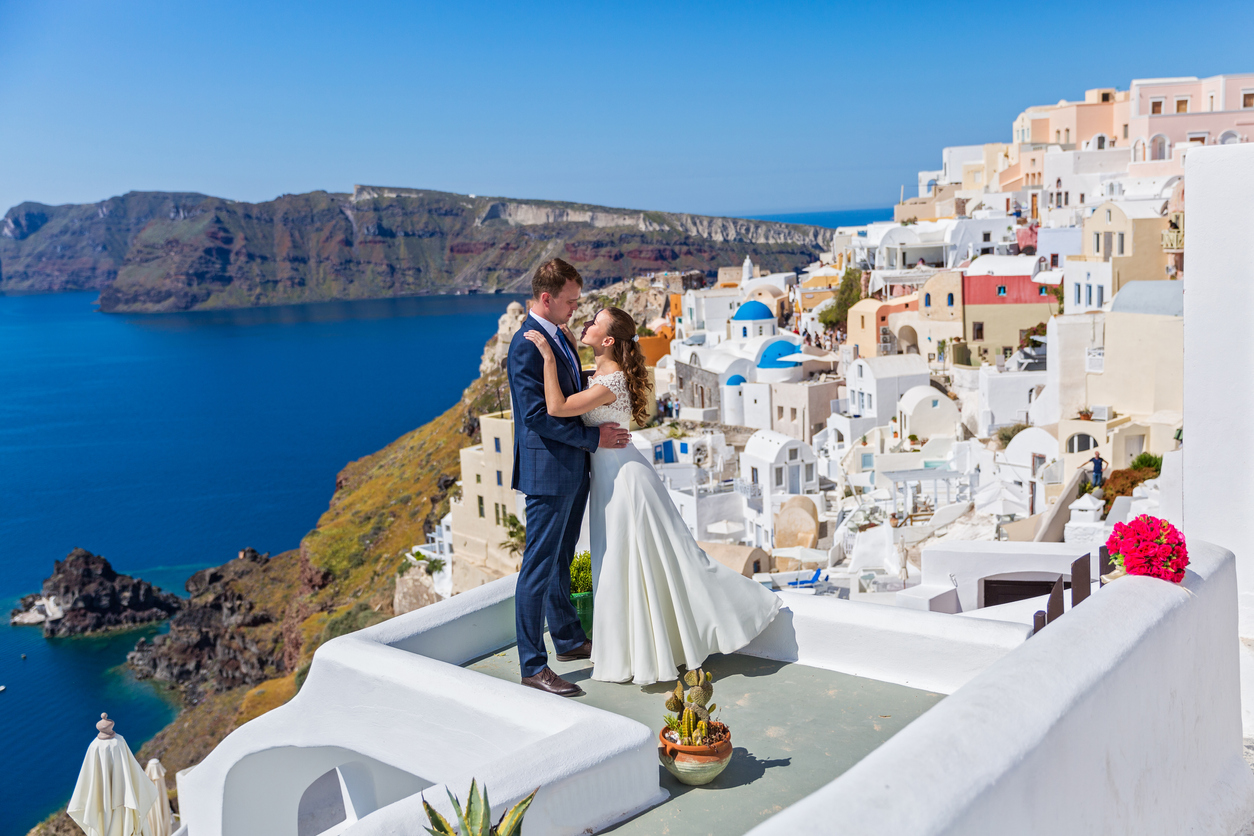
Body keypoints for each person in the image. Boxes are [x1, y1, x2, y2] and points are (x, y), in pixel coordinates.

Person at [524, 305, 781, 685]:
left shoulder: (609, 382)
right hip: (614, 475)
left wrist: (546, 356)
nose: (587, 323)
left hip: (624, 482)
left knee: (636, 564)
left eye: (594, 322)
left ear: (608, 340)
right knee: (633, 565)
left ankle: (740, 612)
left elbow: (557, 407)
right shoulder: (604, 373)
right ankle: (639, 650)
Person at [507, 258, 631, 698]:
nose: (575, 310)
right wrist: (593, 438)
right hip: (548, 471)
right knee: (538, 567)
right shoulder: (527, 344)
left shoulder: (558, 334)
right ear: (547, 298)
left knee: (560, 558)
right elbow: (538, 416)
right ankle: (532, 665)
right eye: (570, 301)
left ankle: (569, 640)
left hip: (571, 466)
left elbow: (573, 391)